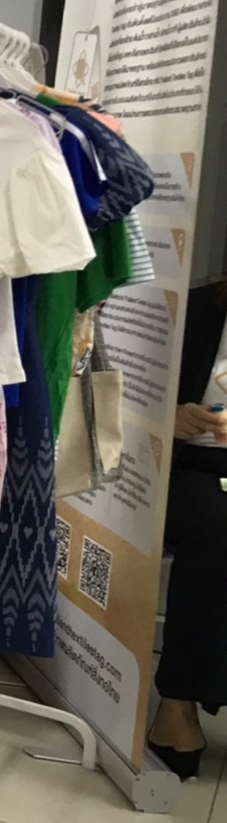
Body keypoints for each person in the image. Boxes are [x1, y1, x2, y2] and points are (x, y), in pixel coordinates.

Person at [151, 282, 227, 778]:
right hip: (191, 466)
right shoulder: (195, 309)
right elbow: (134, 394)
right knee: (216, 527)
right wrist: (169, 416)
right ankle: (177, 702)